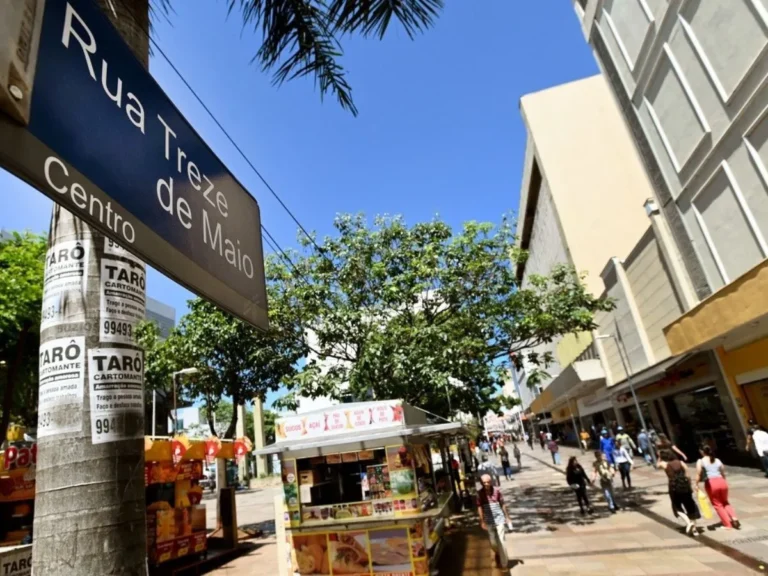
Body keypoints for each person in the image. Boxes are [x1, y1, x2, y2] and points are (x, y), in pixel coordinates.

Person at [695, 445, 740, 530]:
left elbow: (698, 473)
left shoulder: (700, 461)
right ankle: (734, 518)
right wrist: (724, 481)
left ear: (701, 452)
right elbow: (722, 471)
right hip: (721, 481)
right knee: (725, 501)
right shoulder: (717, 460)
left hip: (711, 483)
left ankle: (727, 524)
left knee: (717, 504)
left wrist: (696, 484)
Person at [657, 449, 700, 536]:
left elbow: (657, 465)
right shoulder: (681, 462)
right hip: (685, 486)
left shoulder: (665, 464)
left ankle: (688, 522)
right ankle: (695, 530)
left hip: (673, 487)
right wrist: (689, 486)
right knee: (690, 506)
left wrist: (659, 457)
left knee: (677, 507)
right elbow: (688, 475)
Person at [477, 473, 511, 569]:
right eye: (484, 483)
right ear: (482, 483)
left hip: (499, 518)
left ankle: (504, 564)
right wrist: (482, 520)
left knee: (501, 541)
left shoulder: (497, 491)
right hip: (488, 520)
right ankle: (497, 553)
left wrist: (507, 517)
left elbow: (502, 504)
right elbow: (479, 507)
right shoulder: (480, 493)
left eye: (488, 482)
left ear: (491, 482)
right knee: (493, 542)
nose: (486, 484)